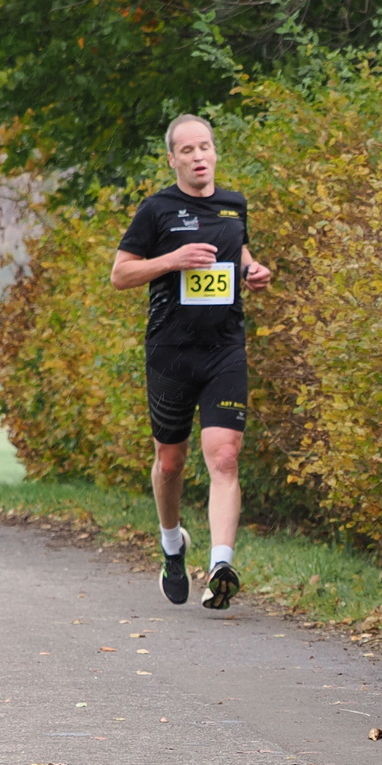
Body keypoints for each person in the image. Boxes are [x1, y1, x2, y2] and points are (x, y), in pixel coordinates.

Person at [110, 113, 270, 609]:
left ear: (215, 152)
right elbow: (120, 274)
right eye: (187, 150)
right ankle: (171, 543)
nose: (199, 156)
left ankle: (221, 564)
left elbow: (237, 250)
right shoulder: (156, 210)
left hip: (224, 348)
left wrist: (253, 270)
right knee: (170, 461)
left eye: (205, 147)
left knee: (224, 456)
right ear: (172, 159)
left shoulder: (234, 205)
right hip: (170, 352)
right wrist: (172, 261)